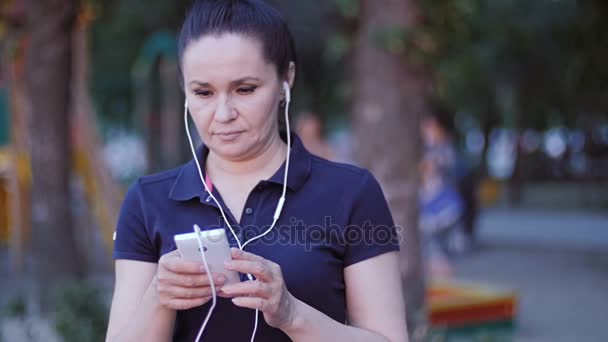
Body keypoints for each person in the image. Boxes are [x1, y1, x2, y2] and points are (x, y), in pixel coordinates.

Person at [106, 1, 408, 341]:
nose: (223, 114)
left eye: (245, 89)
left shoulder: (352, 193)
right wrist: (159, 298)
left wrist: (292, 314)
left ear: (285, 81)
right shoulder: (148, 201)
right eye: (203, 92)